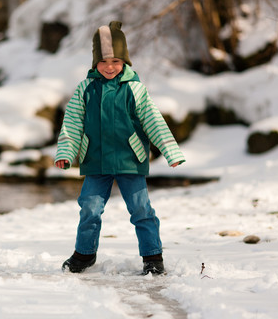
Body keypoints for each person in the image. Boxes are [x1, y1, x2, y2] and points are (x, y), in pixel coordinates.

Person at [54, 21, 185, 275]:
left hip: (130, 159)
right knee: (89, 209)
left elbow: (153, 120)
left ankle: (152, 257)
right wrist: (66, 153)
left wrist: (170, 150)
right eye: (103, 62)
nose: (110, 67)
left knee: (141, 209)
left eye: (115, 61)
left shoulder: (135, 89)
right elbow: (72, 123)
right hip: (96, 160)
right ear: (95, 64)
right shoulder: (85, 89)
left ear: (125, 61)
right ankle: (84, 254)